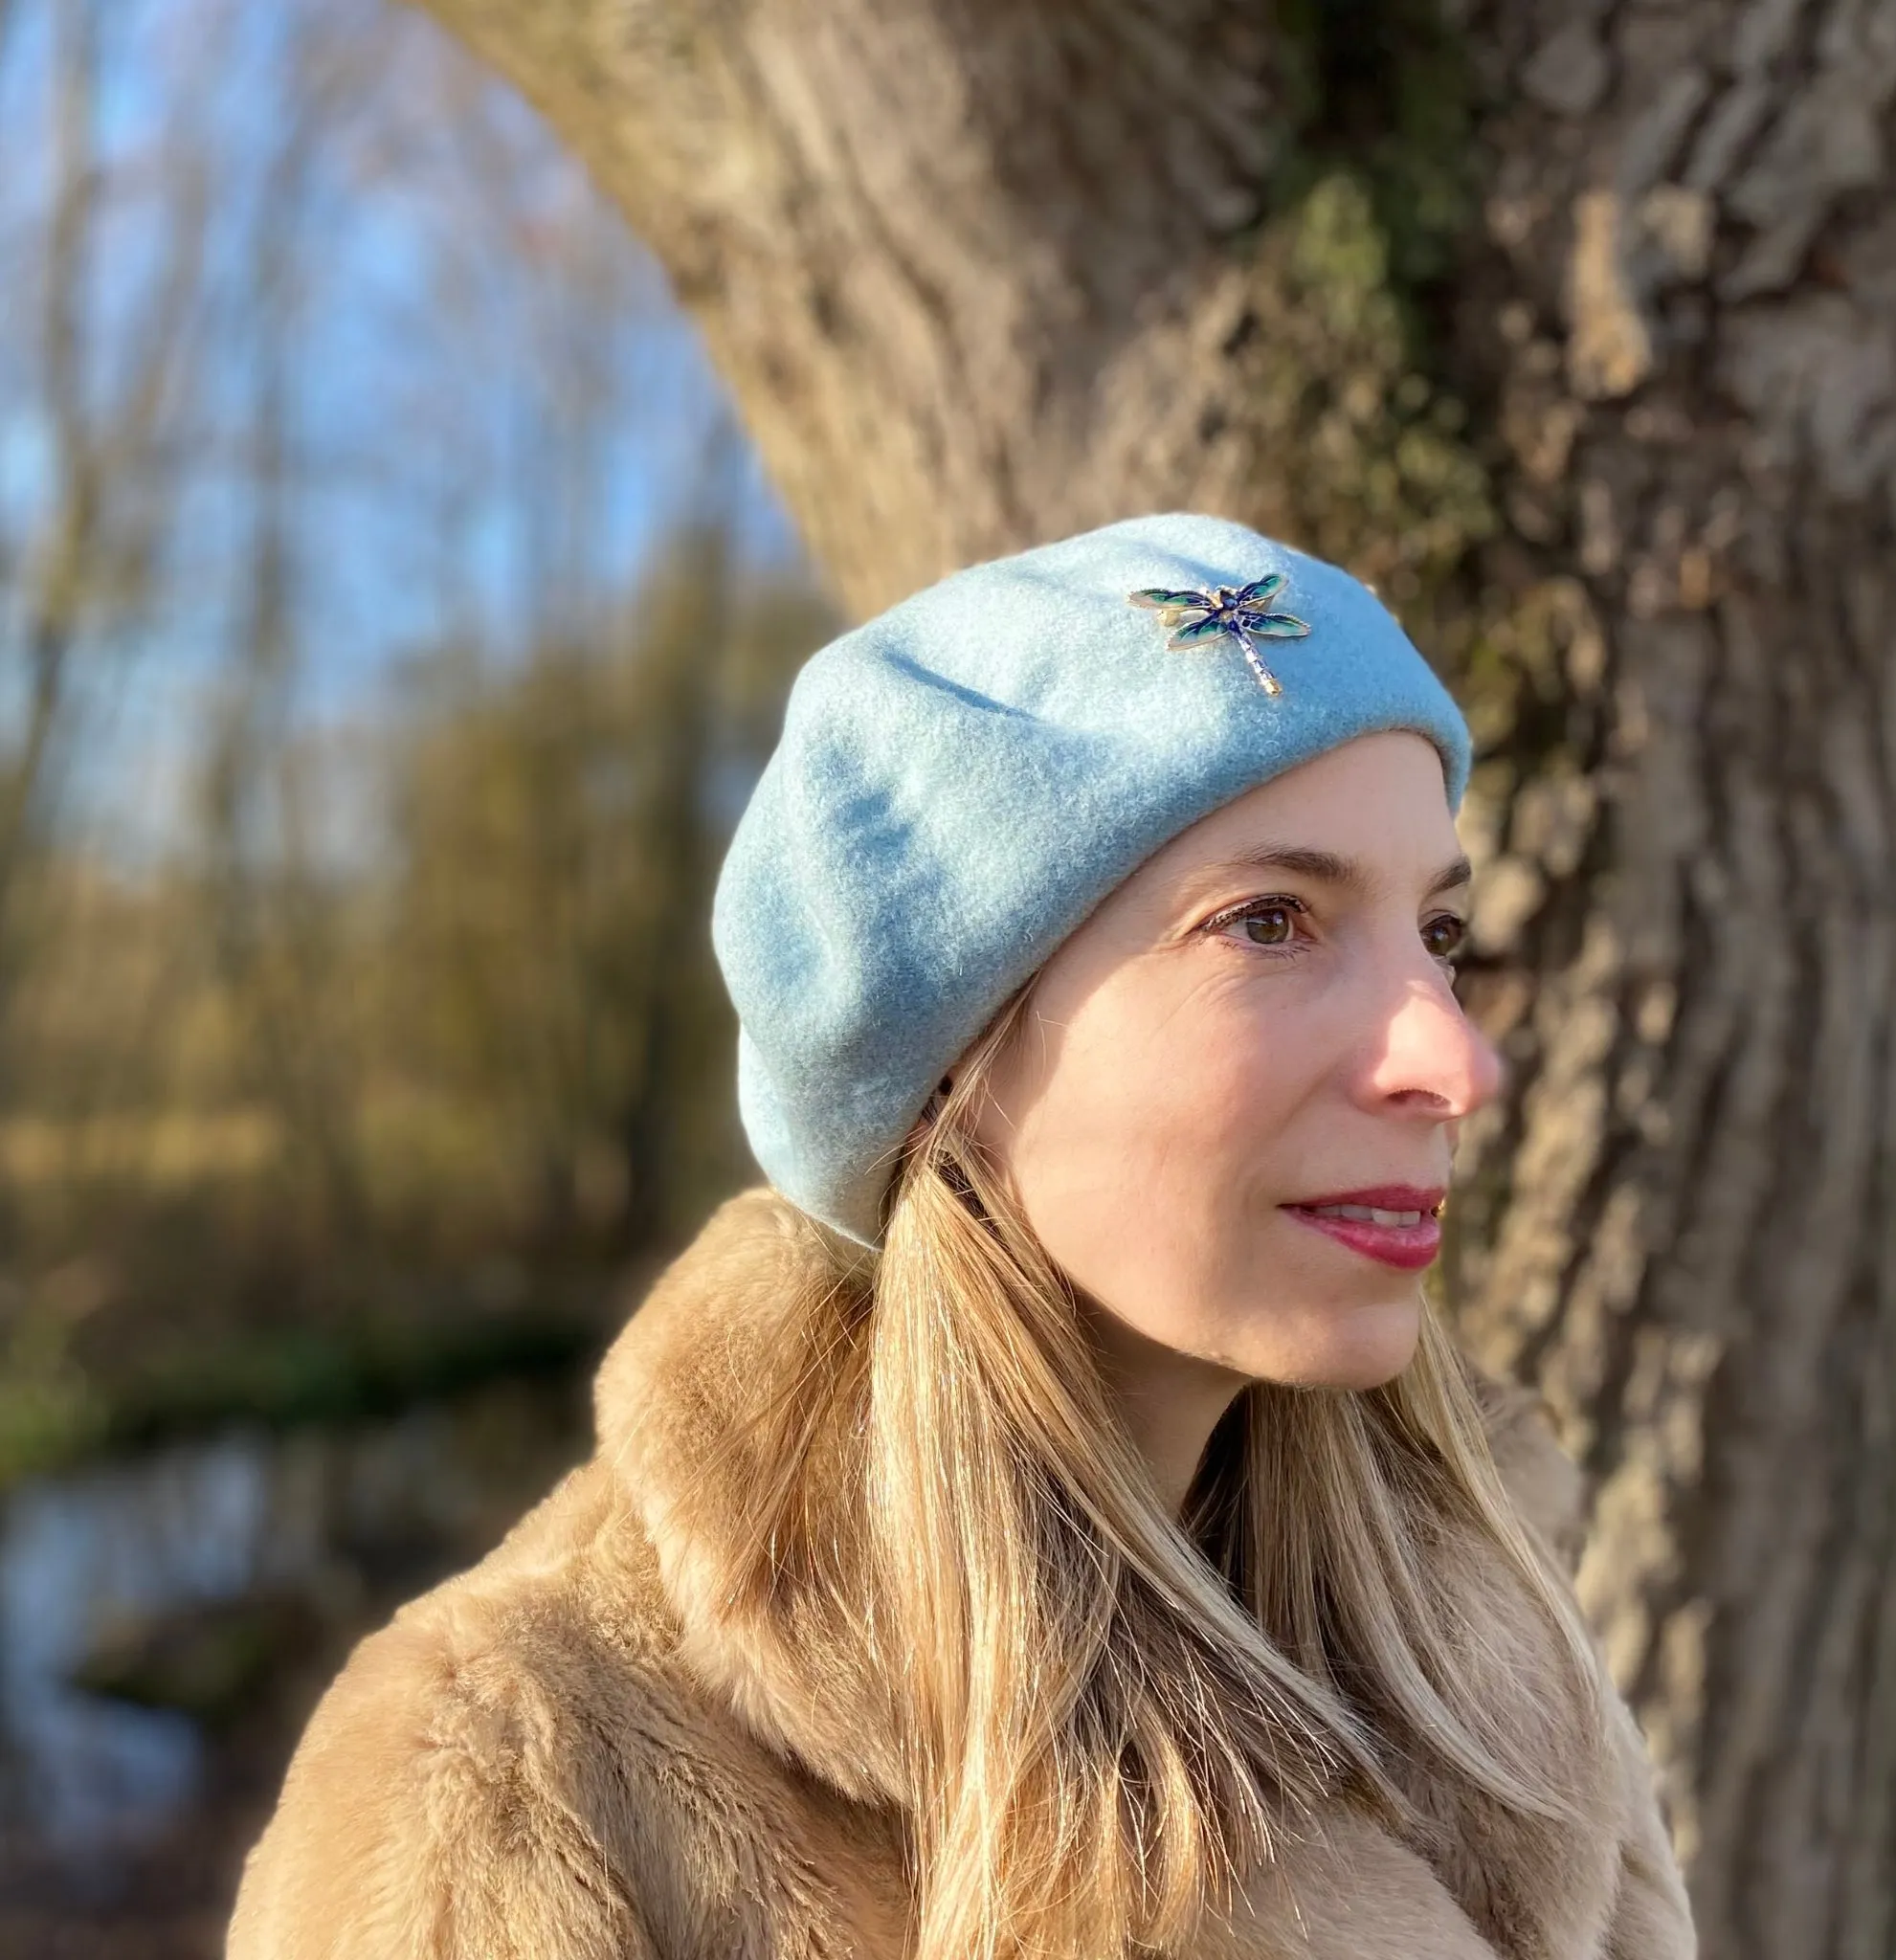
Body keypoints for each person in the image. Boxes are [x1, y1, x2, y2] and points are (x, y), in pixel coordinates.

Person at [226, 513, 1696, 1960]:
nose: (1451, 1060)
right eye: (1270, 923)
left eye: (1437, 937)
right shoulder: (508, 1787)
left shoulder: (1488, 1648)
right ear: (948, 1069)